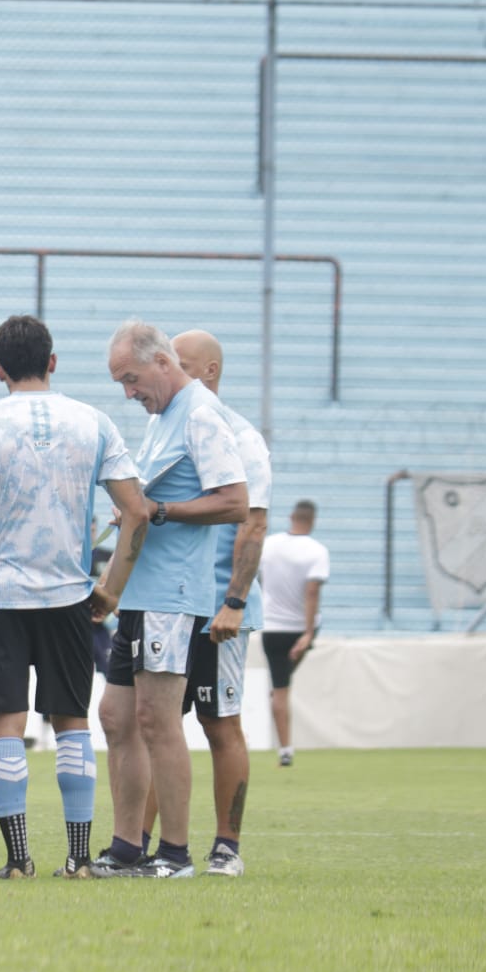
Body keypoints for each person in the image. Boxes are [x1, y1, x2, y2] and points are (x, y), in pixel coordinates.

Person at [0, 316, 149, 880]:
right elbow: (138, 512)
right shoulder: (94, 422)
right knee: (73, 722)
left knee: (6, 723)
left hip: (1, 595)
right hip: (70, 595)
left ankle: (18, 859)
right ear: (53, 361)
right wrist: (110, 590)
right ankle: (77, 857)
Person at [92, 318, 247, 880]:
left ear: (163, 363)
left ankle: (175, 854)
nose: (129, 393)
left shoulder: (201, 413)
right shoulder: (163, 417)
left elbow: (234, 501)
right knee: (116, 716)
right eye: (121, 383)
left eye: (132, 379)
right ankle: (127, 846)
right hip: (140, 591)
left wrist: (162, 512)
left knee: (159, 721)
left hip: (173, 593)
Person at [161, 328, 272, 877]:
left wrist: (233, 602)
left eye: (181, 364)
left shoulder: (241, 436)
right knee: (155, 722)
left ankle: (227, 847)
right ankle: (145, 843)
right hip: (169, 600)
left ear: (209, 372)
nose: (171, 374)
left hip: (218, 611)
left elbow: (253, 524)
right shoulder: (171, 428)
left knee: (218, 721)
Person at [259, 500, 329, 767]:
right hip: (300, 627)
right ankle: (285, 745)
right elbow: (312, 592)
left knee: (279, 687)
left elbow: (259, 578)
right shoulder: (317, 551)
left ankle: (285, 748)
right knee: (283, 685)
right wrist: (308, 633)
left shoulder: (269, 544)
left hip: (273, 626)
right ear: (313, 520)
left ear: (291, 517)